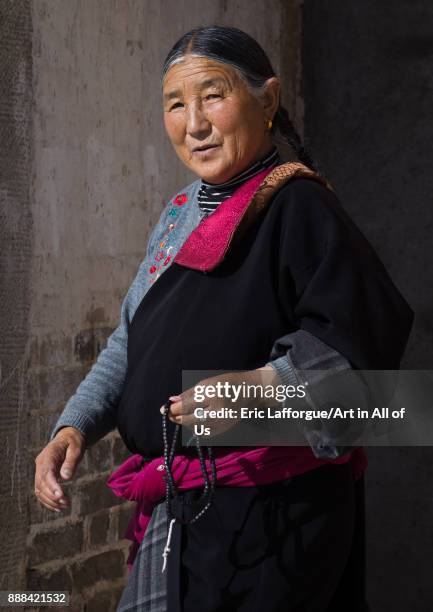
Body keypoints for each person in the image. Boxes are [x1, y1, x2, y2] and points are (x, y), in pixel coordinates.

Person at [34, 26, 414, 611]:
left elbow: (365, 345)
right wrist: (74, 427)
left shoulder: (300, 207)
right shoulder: (179, 214)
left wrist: (261, 388)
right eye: (176, 104)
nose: (194, 124)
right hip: (186, 515)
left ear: (267, 100)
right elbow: (131, 339)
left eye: (213, 95)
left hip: (272, 522)